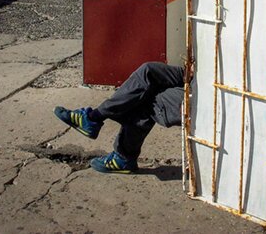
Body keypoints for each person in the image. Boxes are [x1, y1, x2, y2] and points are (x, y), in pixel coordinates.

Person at [54, 62, 185, 174]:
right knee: (148, 70)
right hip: (197, 75)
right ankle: (94, 118)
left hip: (201, 93)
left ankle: (122, 155)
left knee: (146, 100)